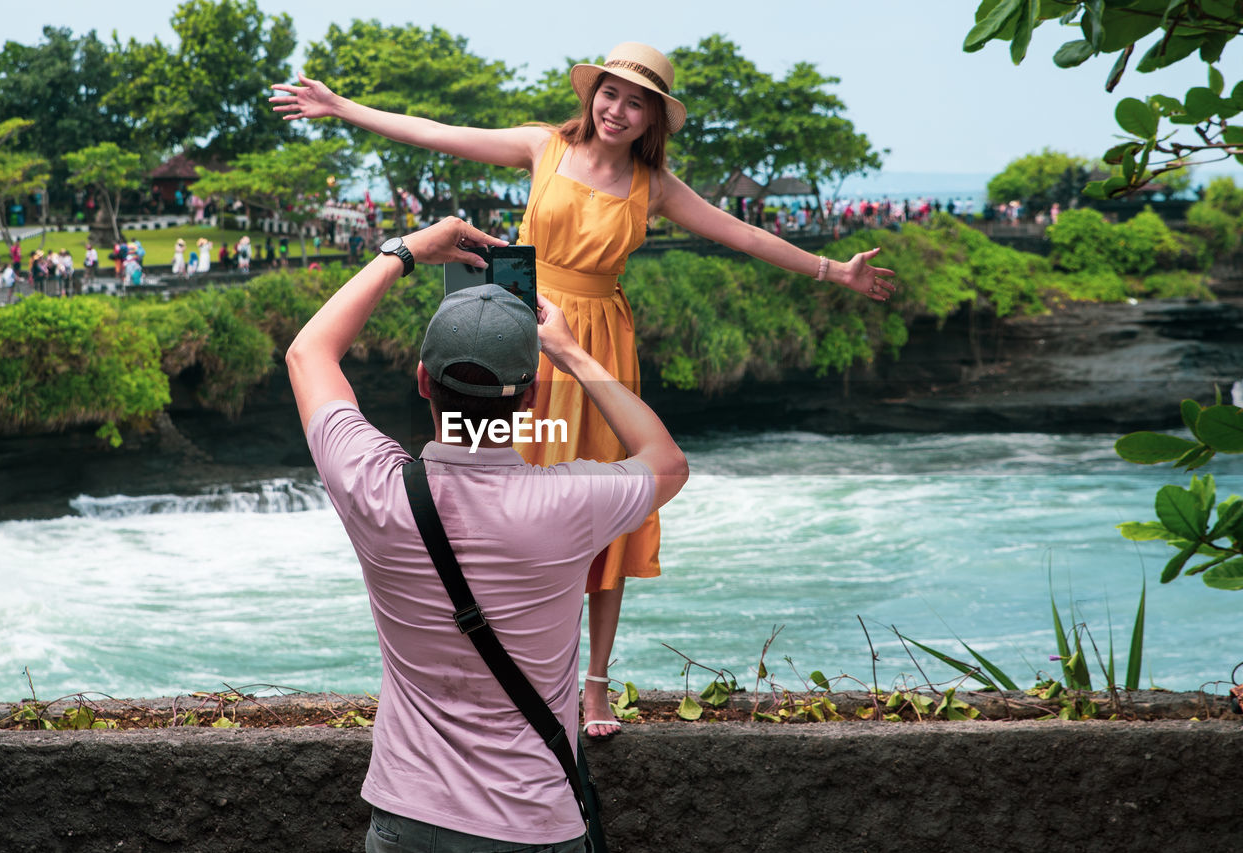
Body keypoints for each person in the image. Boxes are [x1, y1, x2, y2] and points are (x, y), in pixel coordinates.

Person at [273, 40, 896, 739]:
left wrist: (834, 271)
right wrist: (338, 108)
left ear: (653, 117)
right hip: (518, 326)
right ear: (591, 93)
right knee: (496, 496)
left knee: (603, 511)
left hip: (596, 342)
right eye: (610, 93)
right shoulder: (542, 147)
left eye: (636, 102)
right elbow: (434, 131)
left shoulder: (651, 185)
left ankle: (592, 685)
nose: (617, 110)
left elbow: (742, 235)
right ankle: (494, 664)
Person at [287, 215, 687, 853]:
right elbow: (665, 462)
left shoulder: (376, 487)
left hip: (406, 820)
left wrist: (407, 251)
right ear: (529, 397)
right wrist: (571, 352)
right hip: (531, 823)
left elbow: (309, 352)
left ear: (422, 382)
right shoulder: (566, 502)